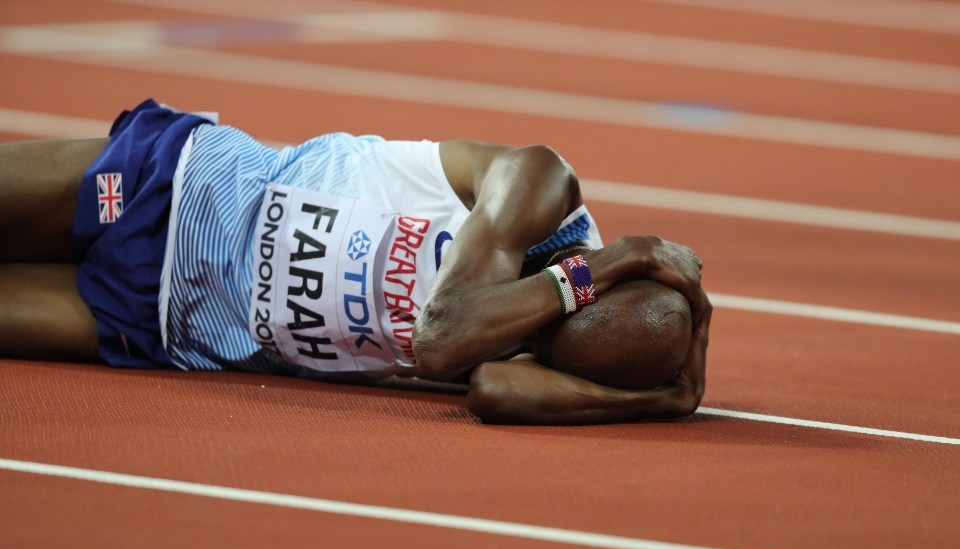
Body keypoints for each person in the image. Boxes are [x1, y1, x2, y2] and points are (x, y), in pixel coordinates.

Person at [0, 99, 712, 425]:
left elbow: (493, 390)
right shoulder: (539, 187)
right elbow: (442, 334)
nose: (538, 341)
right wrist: (599, 267)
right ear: (590, 273)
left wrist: (655, 400)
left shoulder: (535, 344)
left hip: (171, 324)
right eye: (561, 319)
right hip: (183, 188)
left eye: (555, 350)